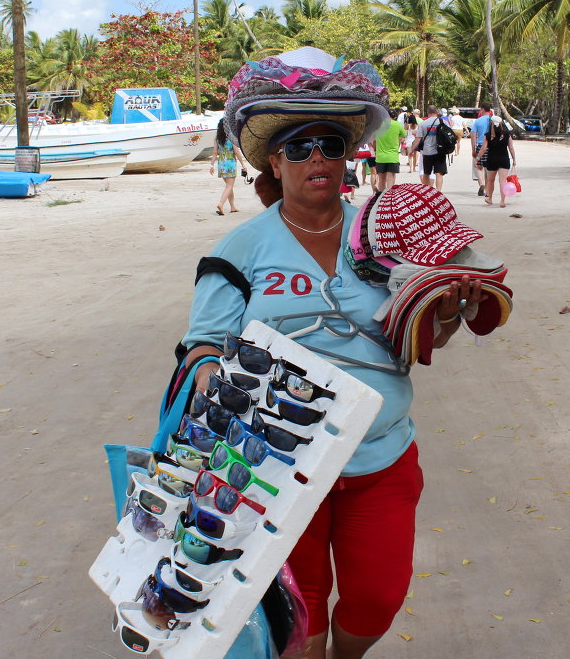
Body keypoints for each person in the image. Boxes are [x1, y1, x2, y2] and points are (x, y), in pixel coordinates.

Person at [180, 47, 485, 659]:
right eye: (298, 148)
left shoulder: (384, 230)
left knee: (379, 596)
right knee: (301, 610)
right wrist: (216, 375)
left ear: (350, 156)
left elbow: (422, 338)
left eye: (330, 145)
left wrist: (448, 308)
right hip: (275, 469)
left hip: (381, 456)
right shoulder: (240, 248)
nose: (317, 158)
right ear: (274, 160)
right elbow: (200, 348)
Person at [476, 114, 517, 208]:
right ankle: (502, 201)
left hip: (492, 159)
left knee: (490, 180)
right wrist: (514, 159)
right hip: (504, 160)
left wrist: (477, 159)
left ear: (491, 124)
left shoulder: (488, 135)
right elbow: (511, 148)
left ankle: (489, 198)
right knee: (502, 181)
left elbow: (483, 149)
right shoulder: (507, 135)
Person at [210, 121, 249, 215]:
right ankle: (220, 204)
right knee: (229, 186)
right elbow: (236, 151)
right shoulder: (231, 138)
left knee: (229, 187)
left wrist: (211, 165)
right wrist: (243, 164)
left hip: (221, 164)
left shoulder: (217, 138)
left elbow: (215, 152)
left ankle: (232, 207)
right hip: (230, 164)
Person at [409, 105, 448, 191]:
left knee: (426, 172)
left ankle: (426, 191)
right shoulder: (443, 122)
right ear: (437, 112)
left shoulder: (423, 123)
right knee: (439, 173)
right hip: (440, 151)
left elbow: (418, 138)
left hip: (427, 151)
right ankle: (438, 191)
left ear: (428, 112)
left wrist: (412, 149)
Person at [374, 109, 406, 191]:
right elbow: (403, 135)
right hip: (392, 156)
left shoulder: (378, 125)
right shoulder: (397, 125)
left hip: (380, 156)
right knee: (390, 179)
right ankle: (389, 197)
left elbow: (373, 139)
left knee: (381, 179)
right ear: (395, 117)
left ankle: (381, 197)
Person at [471, 106, 492, 195]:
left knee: (479, 166)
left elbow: (473, 136)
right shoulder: (492, 120)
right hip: (491, 146)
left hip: (480, 145)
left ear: (483, 109)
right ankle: (487, 190)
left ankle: (482, 185)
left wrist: (473, 149)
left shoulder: (478, 121)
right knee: (488, 168)